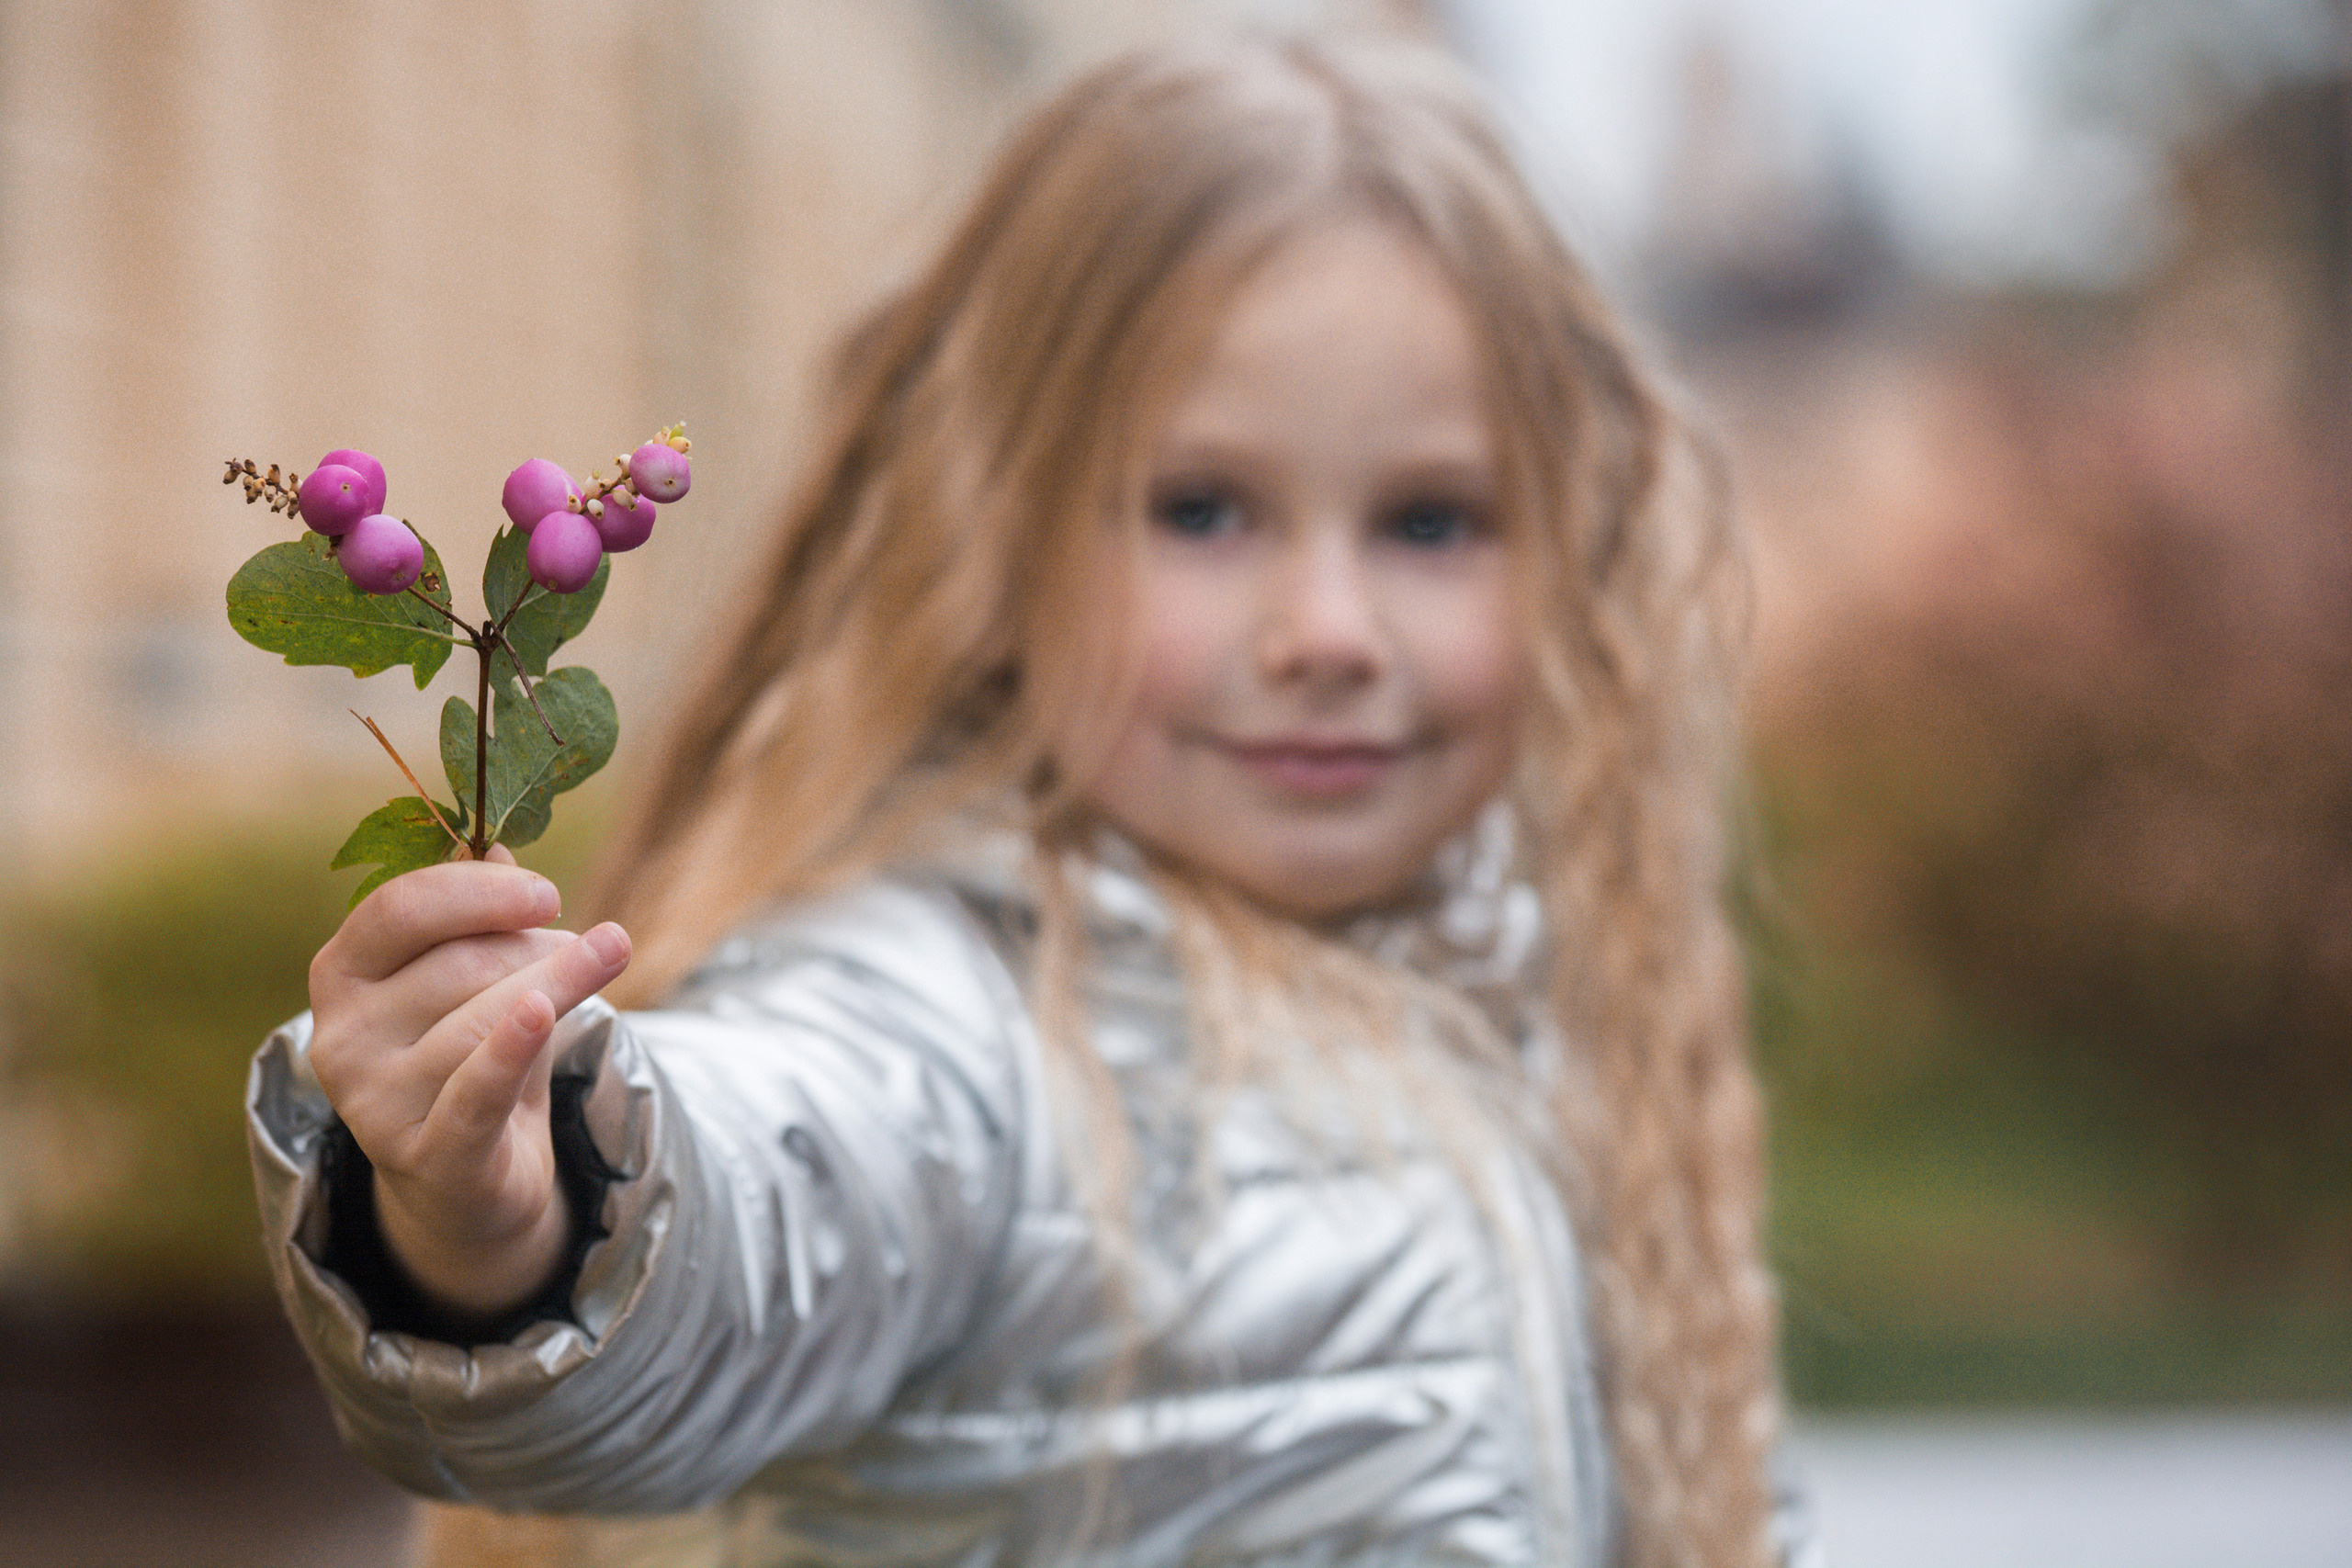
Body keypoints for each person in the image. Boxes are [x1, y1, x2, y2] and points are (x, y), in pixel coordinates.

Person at [250, 33, 1815, 1568]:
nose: (1330, 632)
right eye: (1201, 510)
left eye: (1431, 519)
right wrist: (503, 1223)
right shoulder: (961, 1000)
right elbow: (780, 1190)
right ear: (994, 540)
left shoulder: (1549, 988)